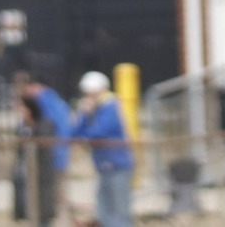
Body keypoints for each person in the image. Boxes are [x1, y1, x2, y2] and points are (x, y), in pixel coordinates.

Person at [68, 74, 132, 227]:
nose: (89, 99)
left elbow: (99, 132)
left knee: (119, 210)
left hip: (117, 165)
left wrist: (88, 117)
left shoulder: (111, 107)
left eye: (92, 94)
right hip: (103, 165)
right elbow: (75, 133)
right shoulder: (93, 110)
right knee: (103, 211)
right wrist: (83, 114)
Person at [8, 95, 58, 227]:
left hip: (42, 176)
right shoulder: (21, 127)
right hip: (25, 174)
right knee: (28, 210)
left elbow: (43, 144)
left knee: (42, 213)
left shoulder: (45, 124)